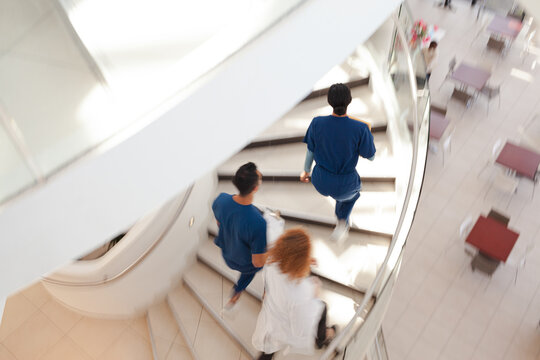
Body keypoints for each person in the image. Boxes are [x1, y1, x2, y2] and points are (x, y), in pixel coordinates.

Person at [300, 83, 376, 243]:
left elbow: (310, 151)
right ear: (349, 101)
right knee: (351, 196)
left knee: (339, 194)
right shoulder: (361, 128)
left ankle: (341, 219)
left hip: (319, 180)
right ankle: (342, 221)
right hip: (345, 186)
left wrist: (306, 171)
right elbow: (371, 157)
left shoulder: (316, 123)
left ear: (329, 102)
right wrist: (368, 136)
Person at [252, 228, 336, 359]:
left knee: (268, 349)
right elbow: (307, 311)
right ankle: (323, 337)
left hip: (272, 314)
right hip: (287, 321)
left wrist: (305, 260)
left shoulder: (270, 264)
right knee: (322, 307)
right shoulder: (304, 288)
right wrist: (315, 290)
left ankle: (322, 336)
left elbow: (283, 266)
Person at [212, 162, 267, 308]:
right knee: (256, 268)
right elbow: (258, 262)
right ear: (255, 188)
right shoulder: (258, 222)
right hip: (244, 262)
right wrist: (275, 249)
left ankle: (235, 295)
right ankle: (240, 291)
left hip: (227, 253)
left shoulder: (220, 200)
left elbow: (219, 222)